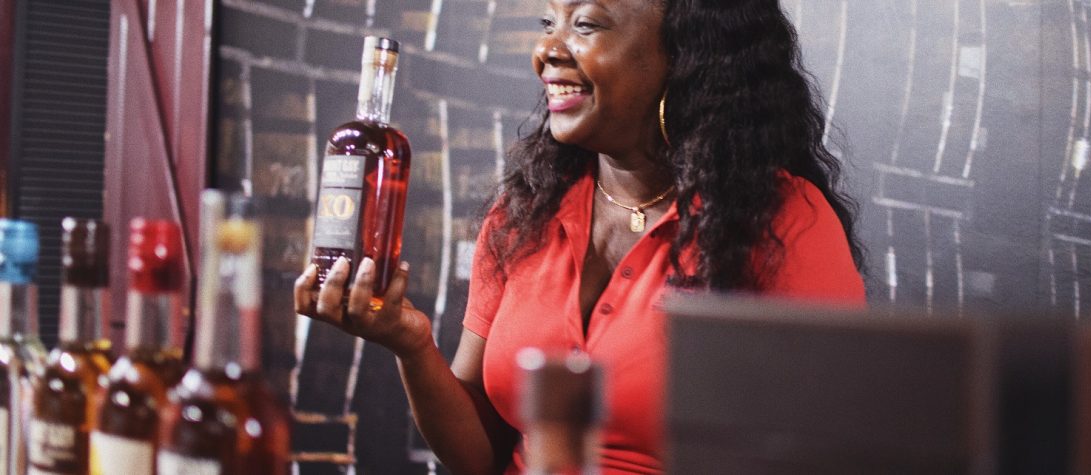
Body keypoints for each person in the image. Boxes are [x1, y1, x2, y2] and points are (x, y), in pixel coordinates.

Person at [294, 0, 866, 473]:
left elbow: (835, 448)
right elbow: (482, 453)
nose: (547, 51)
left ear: (686, 56)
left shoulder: (783, 219)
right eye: (548, 24)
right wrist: (411, 344)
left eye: (585, 24)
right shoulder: (524, 214)